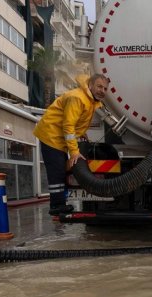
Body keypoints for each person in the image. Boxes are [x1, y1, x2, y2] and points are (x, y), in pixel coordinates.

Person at [33, 73, 109, 216]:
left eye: (105, 88)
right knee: (57, 172)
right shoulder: (77, 98)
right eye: (99, 86)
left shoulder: (90, 100)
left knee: (60, 170)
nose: (102, 91)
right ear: (90, 85)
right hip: (51, 136)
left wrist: (81, 133)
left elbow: (77, 121)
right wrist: (74, 152)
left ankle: (59, 203)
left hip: (57, 137)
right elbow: (68, 126)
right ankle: (56, 206)